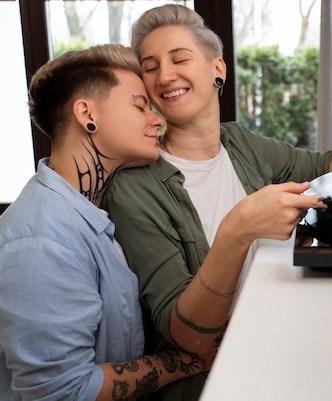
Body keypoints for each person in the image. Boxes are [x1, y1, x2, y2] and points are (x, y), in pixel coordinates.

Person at [101, 4, 332, 400]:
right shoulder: (133, 188)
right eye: (150, 67)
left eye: (179, 58)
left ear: (217, 69)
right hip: (218, 382)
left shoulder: (239, 141)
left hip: (283, 347)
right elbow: (185, 332)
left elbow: (312, 164)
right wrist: (237, 231)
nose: (165, 75)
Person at [0, 45, 211, 401]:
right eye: (139, 105)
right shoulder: (42, 240)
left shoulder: (93, 211)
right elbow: (63, 391)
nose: (157, 120)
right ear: (86, 114)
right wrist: (183, 361)